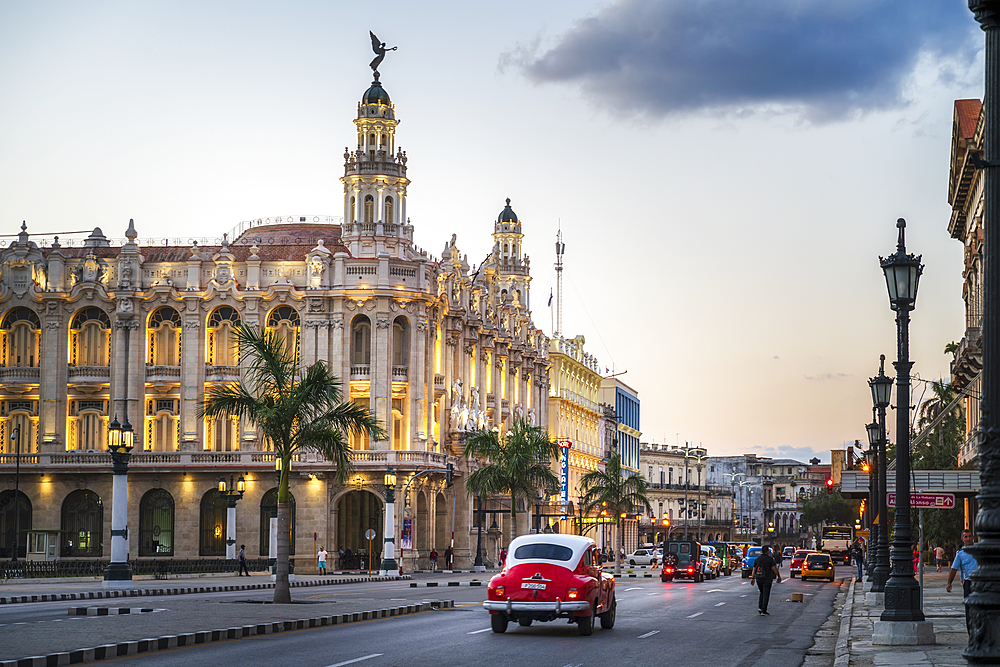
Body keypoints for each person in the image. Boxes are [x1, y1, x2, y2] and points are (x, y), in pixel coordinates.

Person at [947, 529, 978, 636]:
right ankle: (972, 635)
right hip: (969, 584)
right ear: (962, 539)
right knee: (969, 610)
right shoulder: (960, 554)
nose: (968, 539)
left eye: (969, 536)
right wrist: (949, 583)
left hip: (981, 583)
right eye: (966, 537)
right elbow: (954, 569)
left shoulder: (979, 549)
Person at [750, 545, 781, 616]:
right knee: (766, 594)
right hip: (767, 578)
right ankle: (764, 609)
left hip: (759, 578)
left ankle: (760, 607)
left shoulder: (757, 559)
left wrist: (752, 578)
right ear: (767, 551)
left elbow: (754, 569)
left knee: (761, 592)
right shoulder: (770, 559)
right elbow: (775, 568)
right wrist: (778, 576)